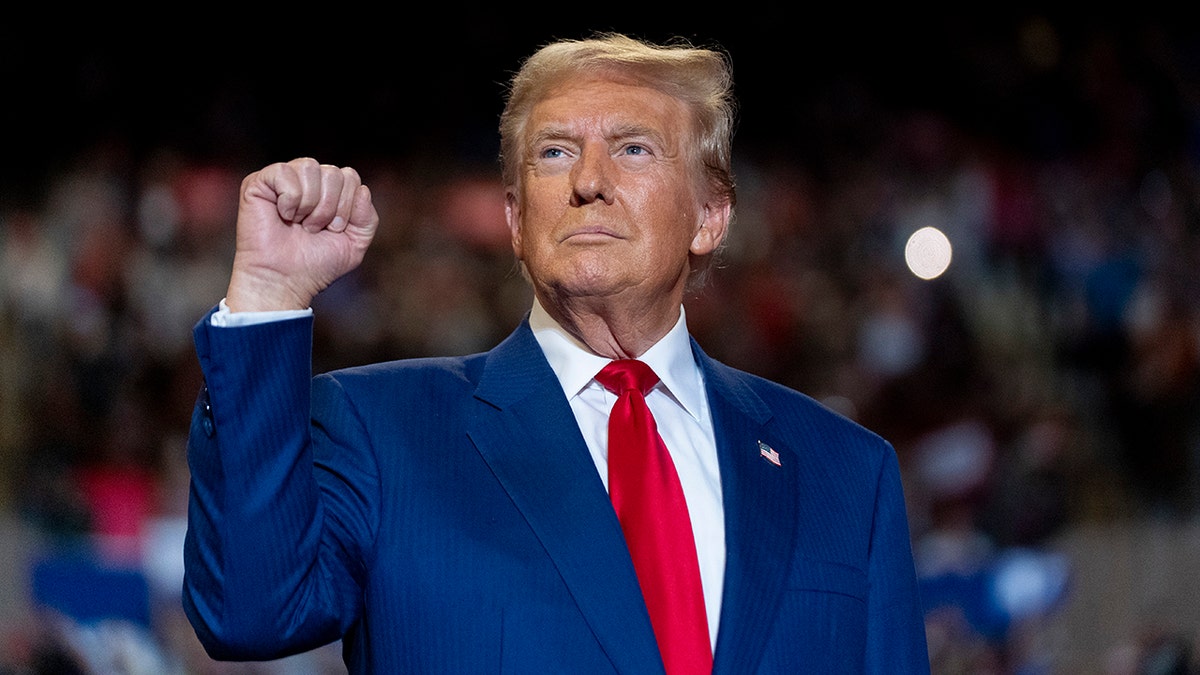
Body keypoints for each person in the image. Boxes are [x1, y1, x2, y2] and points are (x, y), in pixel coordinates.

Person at [183, 32, 931, 673]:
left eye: (633, 148)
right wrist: (268, 295)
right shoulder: (383, 432)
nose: (589, 181)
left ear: (709, 215)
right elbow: (250, 611)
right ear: (515, 218)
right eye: (554, 152)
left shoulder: (844, 472)